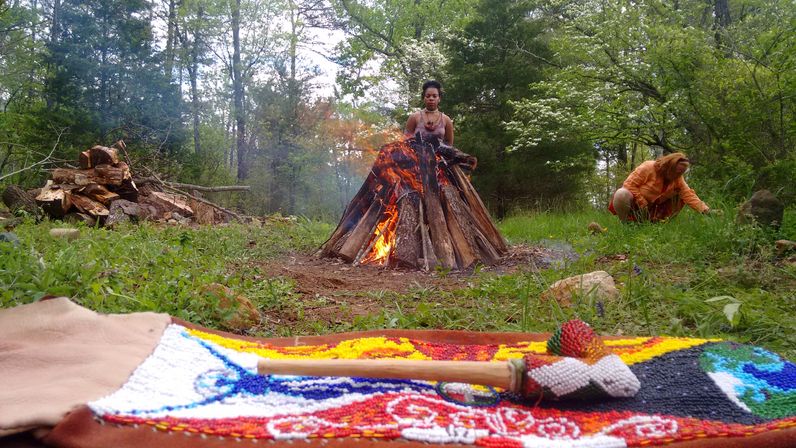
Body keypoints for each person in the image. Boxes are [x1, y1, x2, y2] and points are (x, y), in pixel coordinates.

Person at [609, 152, 710, 222]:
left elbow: (688, 195)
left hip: (653, 211)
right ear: (670, 165)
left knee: (680, 195)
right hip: (636, 207)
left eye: (682, 173)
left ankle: (660, 223)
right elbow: (629, 184)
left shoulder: (678, 178)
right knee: (621, 193)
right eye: (678, 171)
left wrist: (706, 211)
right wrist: (642, 202)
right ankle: (626, 224)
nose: (678, 175)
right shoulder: (648, 167)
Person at [405, 80, 455, 145]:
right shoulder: (414, 117)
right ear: (423, 98)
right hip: (416, 154)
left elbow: (449, 144)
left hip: (439, 155)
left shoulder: (446, 120)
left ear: (439, 98)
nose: (431, 98)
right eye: (428, 96)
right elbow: (405, 140)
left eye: (434, 96)